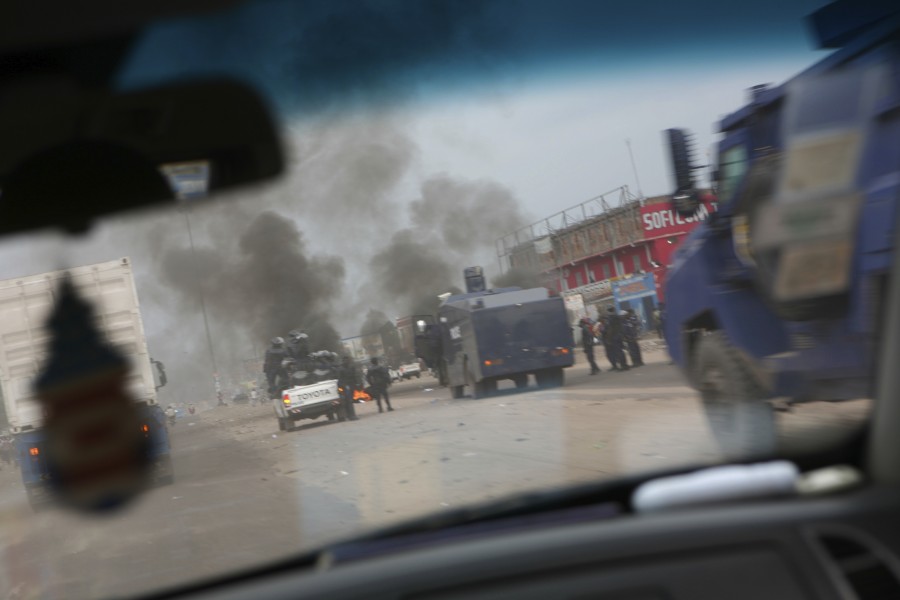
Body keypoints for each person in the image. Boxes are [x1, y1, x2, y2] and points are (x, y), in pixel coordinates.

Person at [601, 307, 628, 371]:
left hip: (615, 337)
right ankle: (625, 365)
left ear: (608, 311)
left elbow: (610, 330)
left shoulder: (611, 318)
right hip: (619, 336)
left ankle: (622, 366)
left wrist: (609, 339)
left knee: (618, 352)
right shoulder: (617, 317)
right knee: (621, 351)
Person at [336, 355, 360, 421]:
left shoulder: (351, 367)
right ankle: (352, 415)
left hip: (351, 385)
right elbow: (340, 379)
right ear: (343, 361)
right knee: (348, 401)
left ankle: (349, 415)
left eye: (348, 360)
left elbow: (354, 376)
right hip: (344, 387)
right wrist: (343, 387)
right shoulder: (341, 369)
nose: (347, 361)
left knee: (349, 401)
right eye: (345, 360)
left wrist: (356, 384)